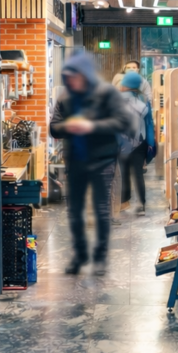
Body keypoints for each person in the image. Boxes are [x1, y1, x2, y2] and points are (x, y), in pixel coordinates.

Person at [50, 52, 135, 276]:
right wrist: (69, 126)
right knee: (74, 211)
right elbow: (54, 127)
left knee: (101, 209)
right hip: (75, 161)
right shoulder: (66, 97)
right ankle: (79, 256)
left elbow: (123, 121)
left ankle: (99, 258)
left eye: (74, 76)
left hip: (103, 159)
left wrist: (91, 126)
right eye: (67, 77)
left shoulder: (107, 93)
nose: (71, 81)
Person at [118, 71, 156, 216]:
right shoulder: (143, 99)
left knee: (124, 172)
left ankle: (124, 202)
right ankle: (141, 204)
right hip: (140, 141)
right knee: (138, 173)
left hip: (122, 142)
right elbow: (149, 124)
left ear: (125, 85)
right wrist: (150, 144)